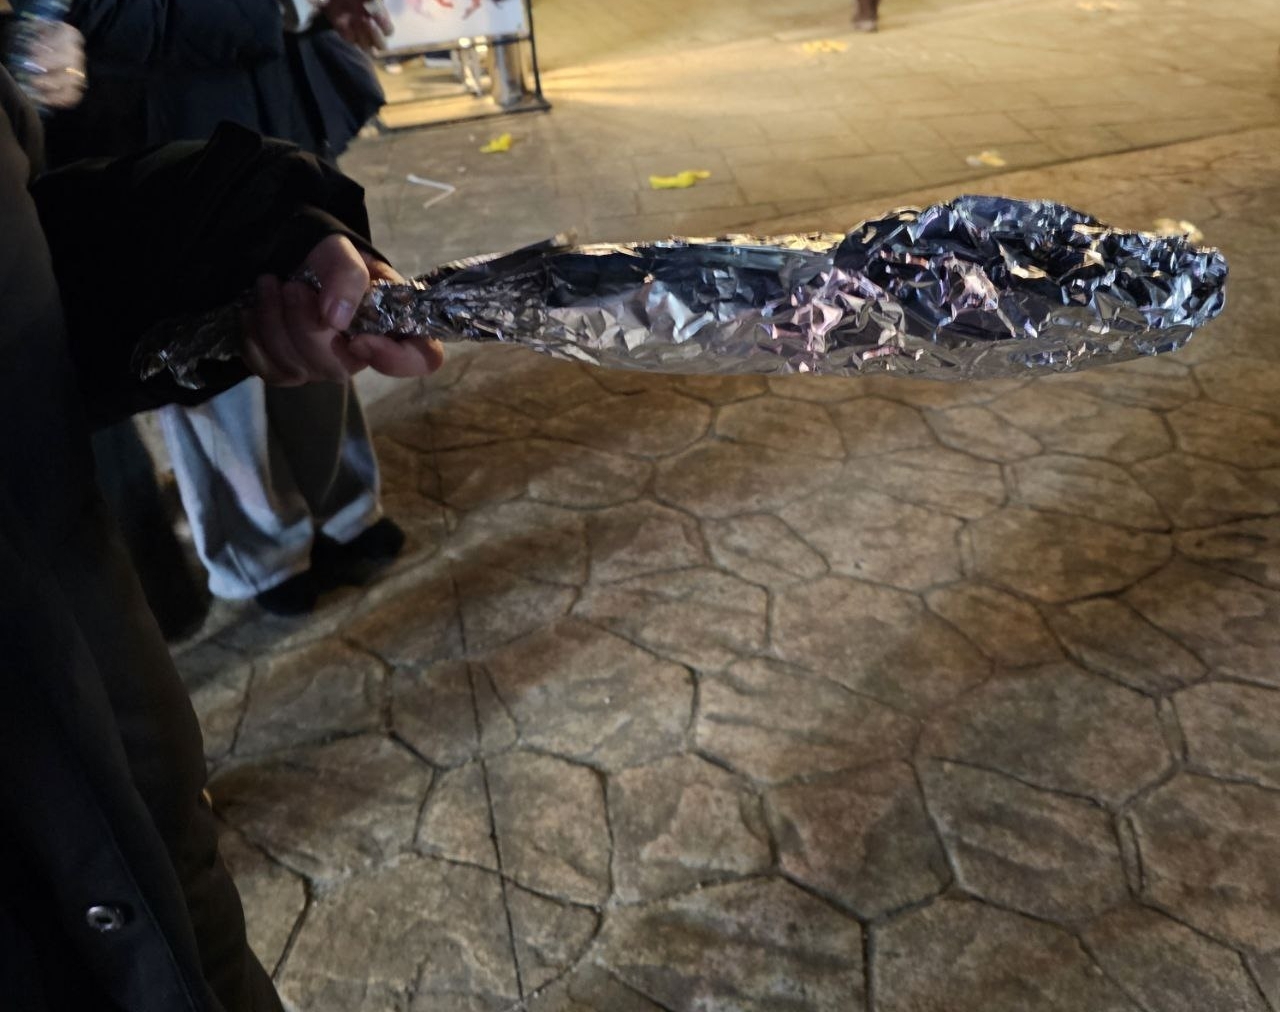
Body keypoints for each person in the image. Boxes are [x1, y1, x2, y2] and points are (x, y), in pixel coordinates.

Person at [0, 21, 441, 1012]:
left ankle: (333, 516)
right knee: (233, 436)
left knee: (310, 360)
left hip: (127, 793)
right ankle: (260, 556)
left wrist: (250, 239)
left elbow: (28, 272)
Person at [43, 0, 404, 619]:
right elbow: (96, 11)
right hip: (169, 125)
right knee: (210, 367)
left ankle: (342, 507)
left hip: (267, 104)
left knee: (321, 317)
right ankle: (262, 551)